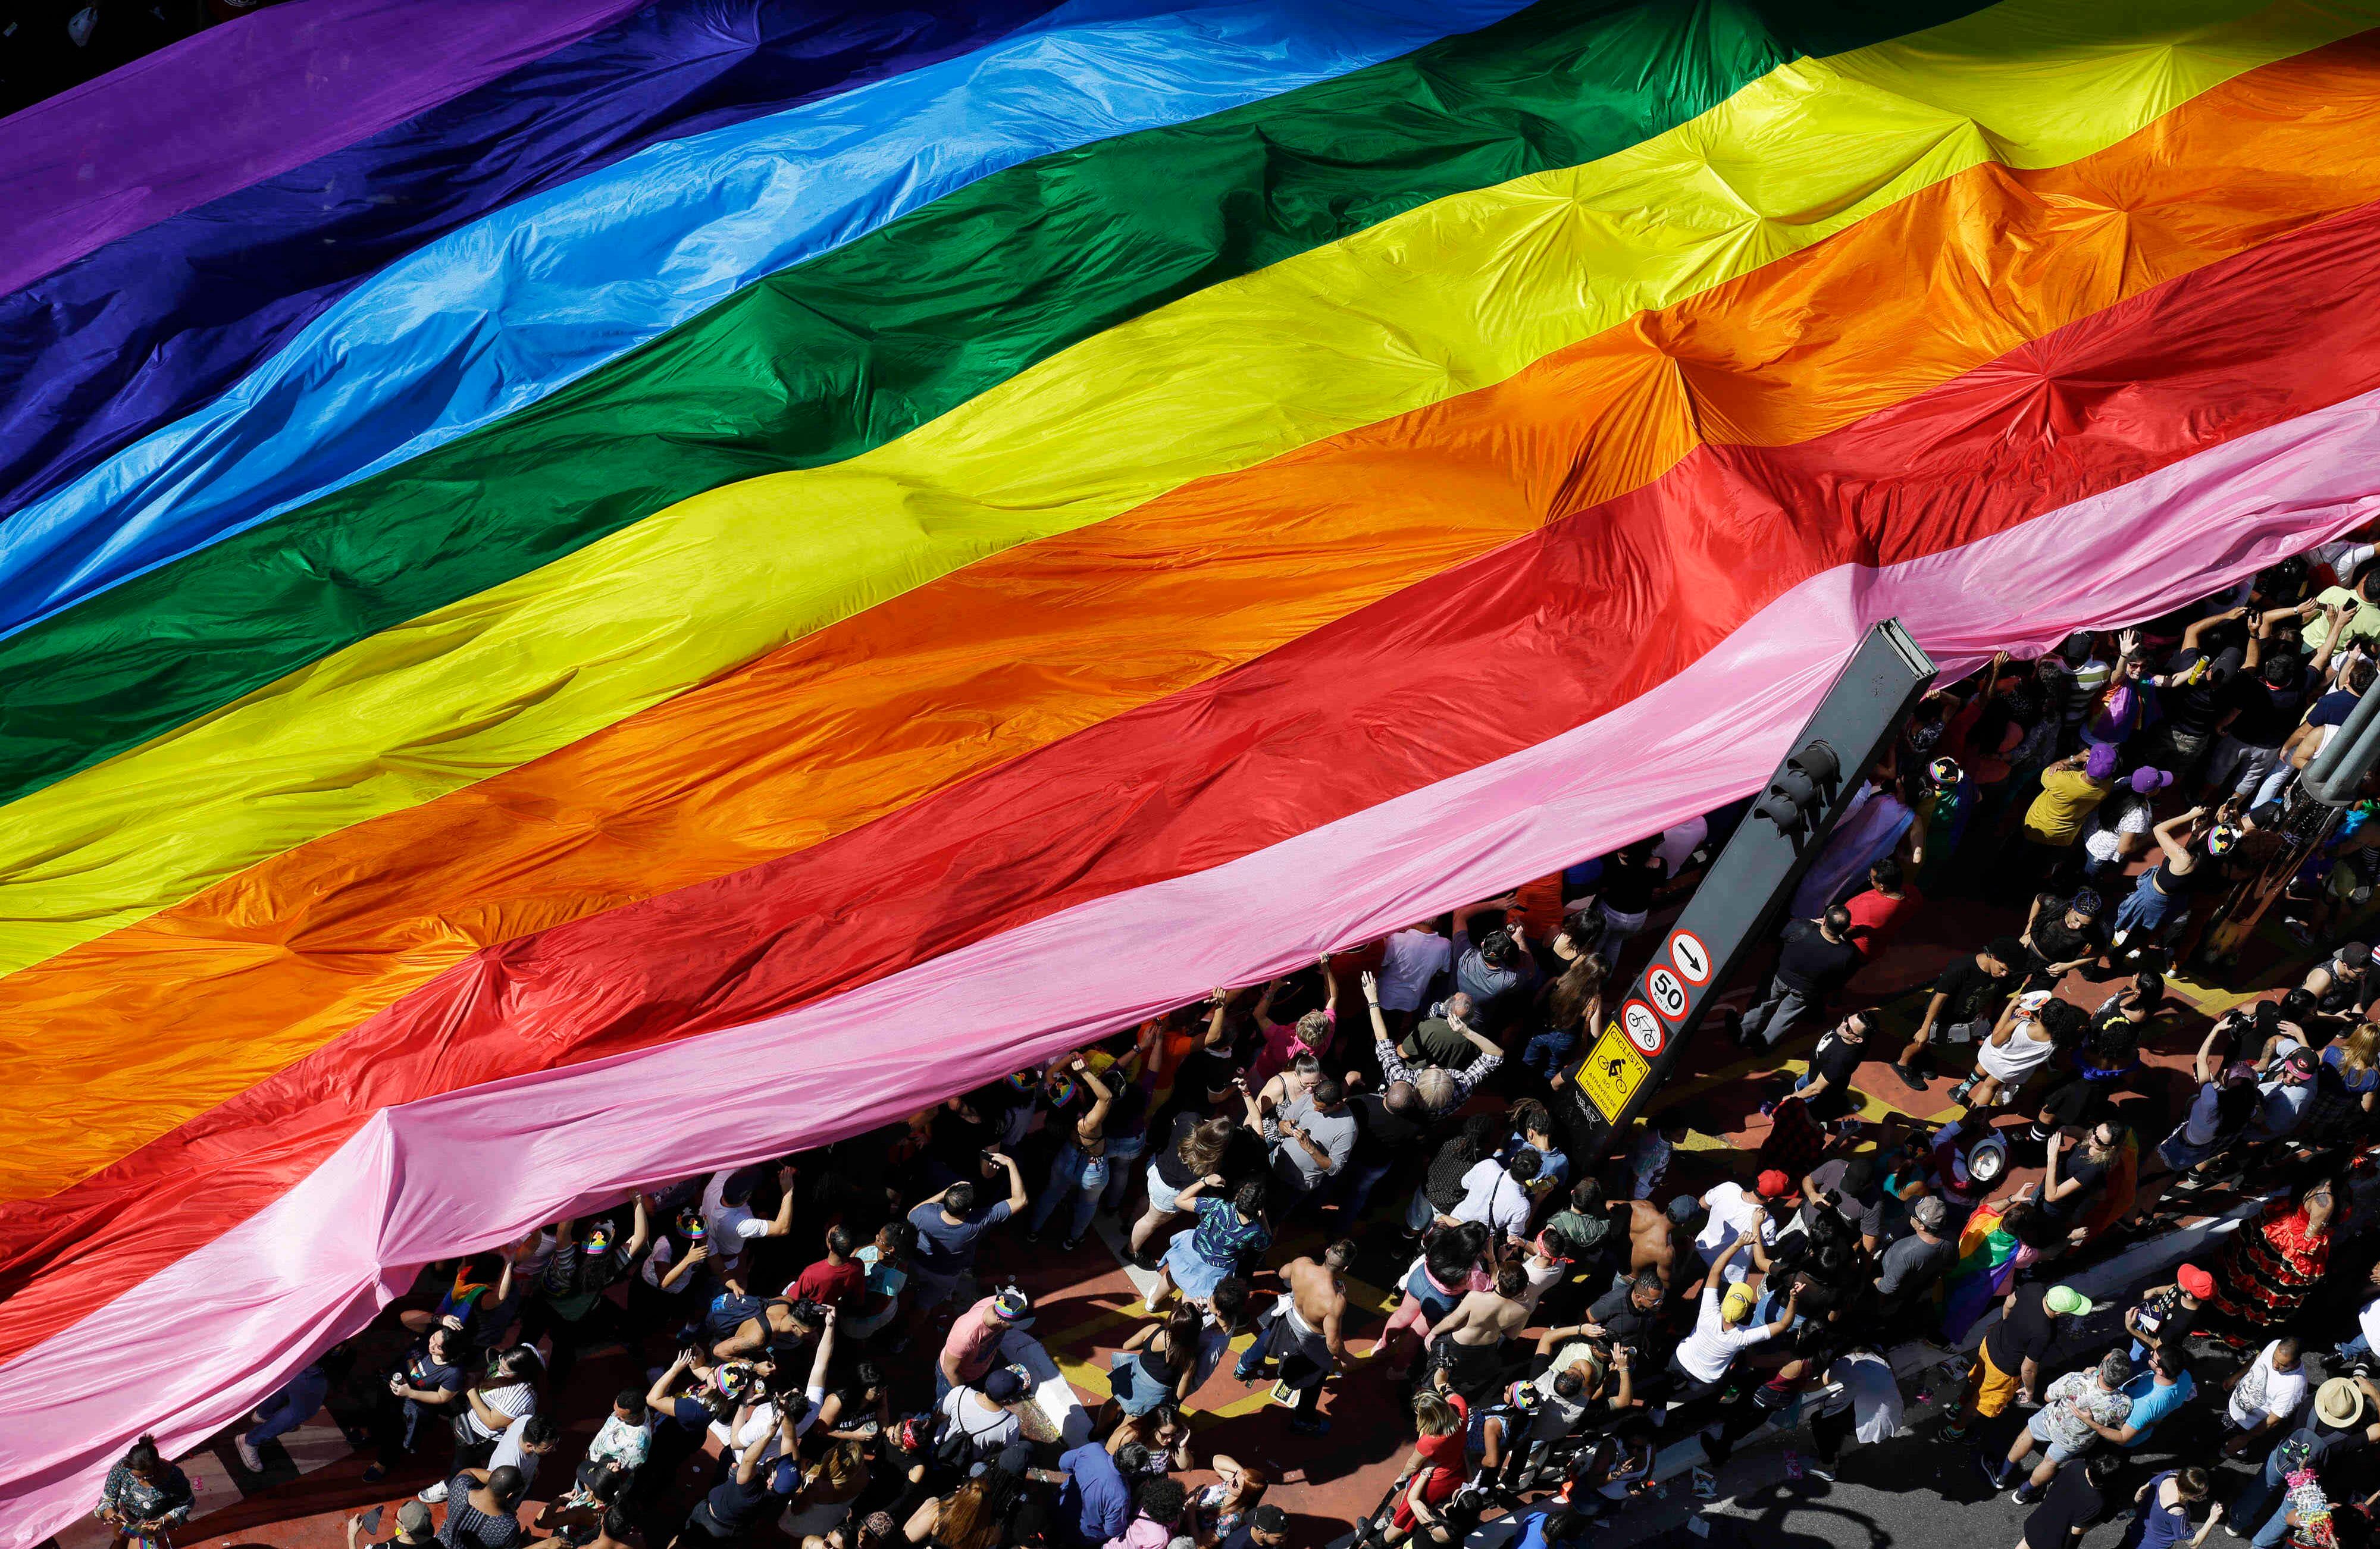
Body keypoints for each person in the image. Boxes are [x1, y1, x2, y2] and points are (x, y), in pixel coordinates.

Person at [2205, 1172, 2345, 1347]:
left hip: (2281, 1231)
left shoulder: (2316, 1183)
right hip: (2293, 1248)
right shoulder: (2326, 1201)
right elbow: (2310, 1237)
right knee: (2264, 1294)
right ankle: (2236, 1333)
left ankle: (2218, 1320)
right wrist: (2310, 1271)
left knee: (2247, 1281)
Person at [1946, 1283, 2095, 1443]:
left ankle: (1957, 1407)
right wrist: (2030, 1390)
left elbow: (2009, 1302)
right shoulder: (2044, 1332)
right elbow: (2028, 1369)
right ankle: (1954, 1431)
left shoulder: (2035, 1289)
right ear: (2059, 1312)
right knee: (1981, 1403)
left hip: (1989, 1345)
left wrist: (2005, 1325)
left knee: (1976, 1380)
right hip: (2003, 1370)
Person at [1233, 1242, 1354, 1435]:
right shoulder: (1335, 1301)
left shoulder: (1302, 1264)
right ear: (1345, 1268)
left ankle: (1245, 1365)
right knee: (1316, 1376)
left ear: (1327, 1252)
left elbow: (1282, 1274)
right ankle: (1303, 1419)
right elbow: (1332, 1344)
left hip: (1289, 1316)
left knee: (1270, 1331)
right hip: (1308, 1340)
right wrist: (1348, 1359)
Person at [1988, 1350, 2132, 1503]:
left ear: (2102, 1371)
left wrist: (2084, 1376)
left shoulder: (2077, 1379)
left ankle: (2002, 1475)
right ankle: (2023, 1493)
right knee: (2050, 1463)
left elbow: (2047, 1397)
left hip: (2051, 1421)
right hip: (2076, 1440)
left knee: (2029, 1433)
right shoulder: (2125, 1404)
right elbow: (2119, 1424)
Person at [1892, 936, 2023, 1091]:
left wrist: (1988, 1007)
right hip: (1941, 1014)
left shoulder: (1998, 975)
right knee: (1922, 1040)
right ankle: (1903, 1064)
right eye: (2002, 969)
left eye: (2007, 972)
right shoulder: (1961, 967)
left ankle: (1921, 1057)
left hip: (1963, 1015)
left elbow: (1993, 991)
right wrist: (1925, 1028)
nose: (2004, 975)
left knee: (1937, 1040)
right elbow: (1938, 998)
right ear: (1993, 956)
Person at [905, 1159, 1028, 1313]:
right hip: (946, 1275)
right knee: (924, 1306)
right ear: (969, 1210)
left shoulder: (925, 1215)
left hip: (918, 1264)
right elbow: (1021, 1200)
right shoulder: (979, 1223)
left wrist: (945, 1193)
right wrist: (1010, 1162)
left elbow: (912, 1214)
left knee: (904, 1293)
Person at [1734, 906, 1865, 1051]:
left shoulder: (1802, 929)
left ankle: (1743, 1035)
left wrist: (1810, 922)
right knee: (1784, 1018)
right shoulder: (1847, 953)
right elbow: (1838, 978)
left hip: (1779, 979)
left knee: (1763, 1005)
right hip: (1806, 991)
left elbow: (1782, 933)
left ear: (1824, 921)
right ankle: (1763, 1047)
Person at [1025, 1058, 1116, 1250]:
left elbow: (1050, 1074)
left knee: (1051, 1194)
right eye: (1078, 1089)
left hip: (1066, 1156)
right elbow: (1106, 1098)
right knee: (1087, 1204)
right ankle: (1073, 1239)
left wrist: (1070, 1057)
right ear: (1079, 1099)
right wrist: (1083, 1072)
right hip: (1091, 1167)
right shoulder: (1088, 1124)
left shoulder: (1058, 1109)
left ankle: (1033, 1231)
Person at [1151, 1178, 1270, 1310]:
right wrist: (1262, 1215)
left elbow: (1180, 1201)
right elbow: (1266, 1243)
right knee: (1194, 1298)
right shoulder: (1255, 1231)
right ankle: (1180, 1315)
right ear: (1258, 1209)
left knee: (1173, 1275)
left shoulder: (1218, 1206)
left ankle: (1153, 1302)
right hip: (1214, 1271)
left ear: (1238, 1196)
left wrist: (1205, 1181)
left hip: (1191, 1251)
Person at [1810, 1346, 1903, 1481]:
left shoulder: (1846, 1363)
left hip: (1874, 1422)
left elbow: (1814, 1386)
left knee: (1819, 1421)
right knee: (1836, 1416)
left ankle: (1828, 1465)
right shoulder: (1878, 1353)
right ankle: (1832, 1448)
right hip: (1893, 1415)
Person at [95, 1435, 193, 1549]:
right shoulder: (122, 1468)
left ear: (157, 1467)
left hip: (156, 1525)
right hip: (126, 1520)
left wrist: (162, 1521)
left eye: (147, 1477)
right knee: (119, 1541)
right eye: (136, 1476)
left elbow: (187, 1503)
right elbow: (107, 1499)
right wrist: (112, 1515)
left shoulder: (173, 1476)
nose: (140, 1481)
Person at [236, 1357, 333, 1472]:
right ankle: (250, 1441)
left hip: (302, 1356)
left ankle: (264, 1413)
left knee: (291, 1377)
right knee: (301, 1411)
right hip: (317, 1362)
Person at [2223, 1337, 2310, 1459]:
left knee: (2236, 1449)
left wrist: (2244, 1439)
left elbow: (2272, 1421)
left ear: (2296, 1363)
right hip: (2234, 1407)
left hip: (2248, 1427)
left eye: (2282, 1365)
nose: (2275, 1365)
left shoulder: (2295, 1387)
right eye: (2275, 1359)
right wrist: (2236, 1376)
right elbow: (2256, 1359)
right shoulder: (2275, 1344)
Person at [940, 1287, 1032, 1400]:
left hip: (979, 1369)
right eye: (1014, 1323)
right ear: (1001, 1320)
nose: (1015, 1327)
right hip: (955, 1379)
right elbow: (950, 1371)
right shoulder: (965, 1335)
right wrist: (964, 1398)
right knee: (945, 1410)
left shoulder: (1000, 1303)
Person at [2021, 1452, 2122, 1549]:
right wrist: (2096, 1523)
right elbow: (2077, 1530)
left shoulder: (2076, 1465)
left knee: (2028, 1541)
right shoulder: (2097, 1501)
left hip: (2039, 1520)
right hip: (2055, 1540)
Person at [2116, 1466, 2221, 1549]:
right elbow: (2193, 1543)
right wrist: (2212, 1519)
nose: (2203, 1498)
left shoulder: (2169, 1475)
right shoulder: (2177, 1513)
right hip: (2153, 1545)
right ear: (2188, 1494)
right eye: (2200, 1496)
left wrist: (2137, 1506)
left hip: (2135, 1530)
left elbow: (2141, 1491)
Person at [1054, 1435, 1130, 1548]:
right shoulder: (1121, 1496)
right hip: (1079, 1535)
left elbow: (1063, 1464)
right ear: (1132, 1471)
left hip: (1059, 1505)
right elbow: (1112, 1530)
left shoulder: (1094, 1449)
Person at [441, 1466, 530, 1549]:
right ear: (509, 1495)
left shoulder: (459, 1486)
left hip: (440, 1544)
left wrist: (497, 1480)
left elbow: (470, 1471)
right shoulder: (509, 1527)